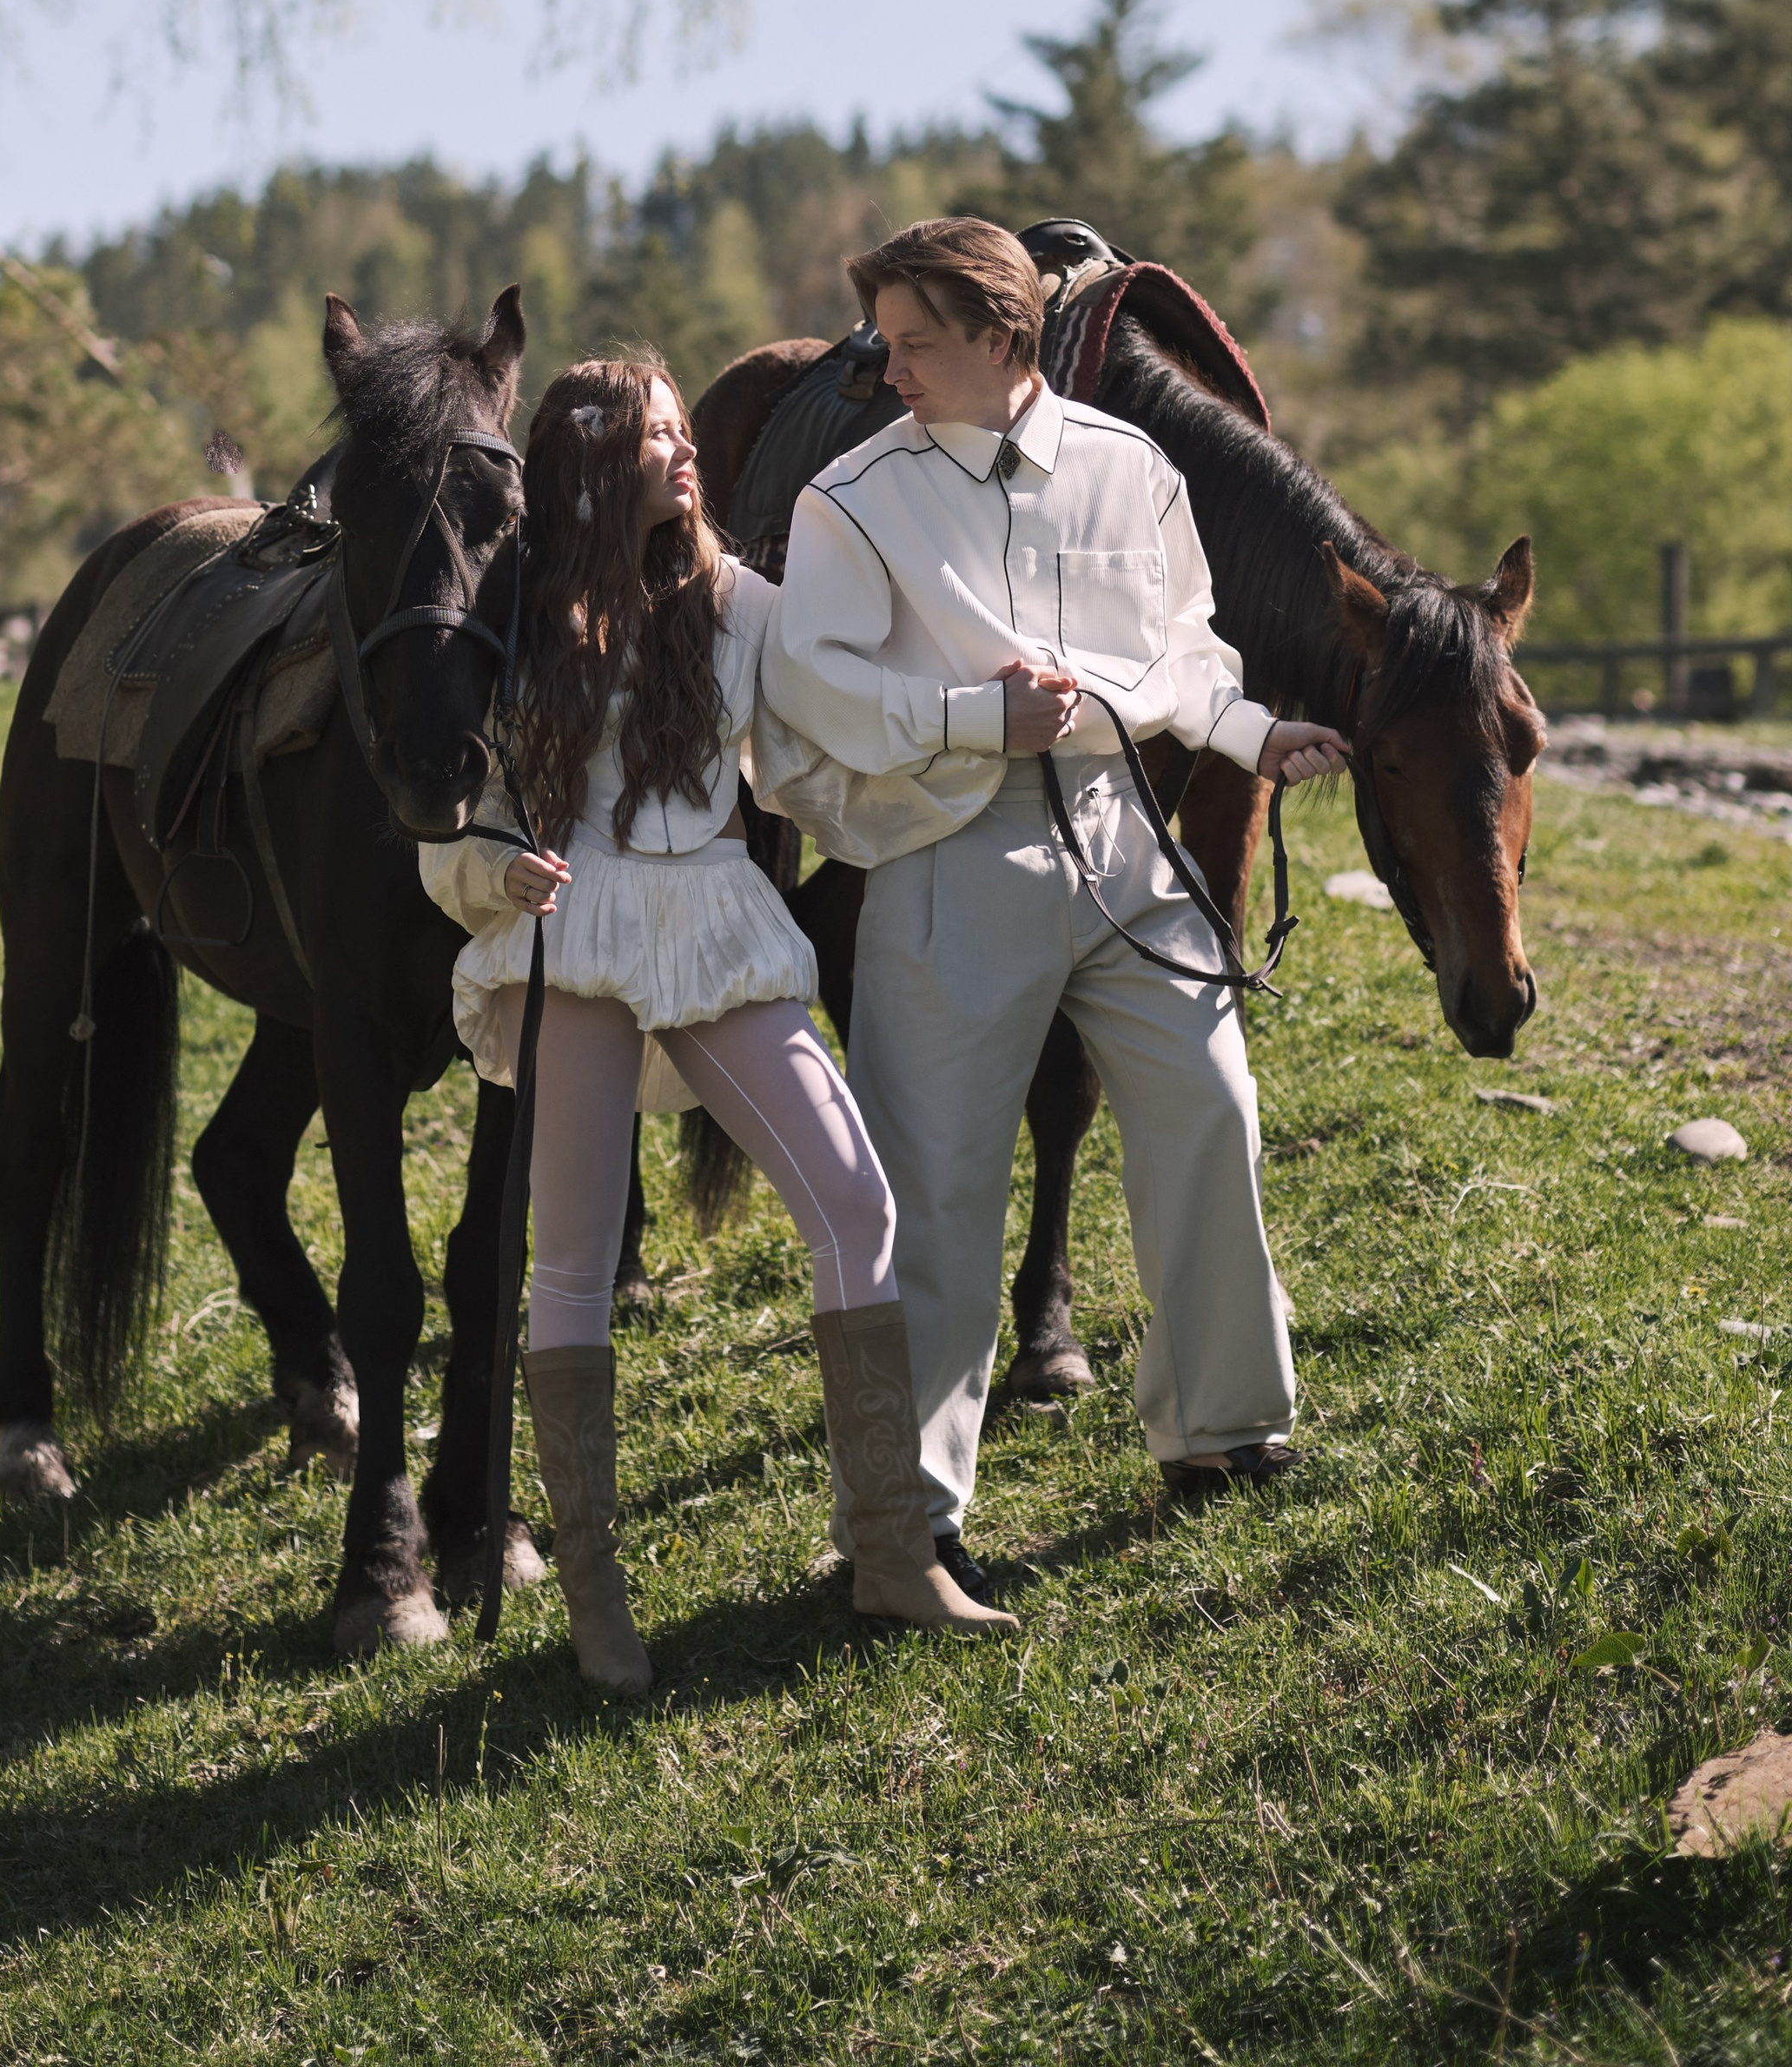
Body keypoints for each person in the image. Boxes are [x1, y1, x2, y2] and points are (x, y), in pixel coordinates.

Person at [755, 217, 1350, 1582]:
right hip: (953, 853)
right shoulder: (851, 497)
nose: (892, 370)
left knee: (1212, 1108)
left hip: (1128, 838)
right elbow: (814, 684)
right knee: (935, 1185)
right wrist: (977, 715)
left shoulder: (1130, 467)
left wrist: (1258, 736)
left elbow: (1183, 653)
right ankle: (908, 1518)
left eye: (916, 343)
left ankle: (1224, 1429)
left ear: (1003, 336)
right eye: (888, 342)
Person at [423, 353, 1015, 1692]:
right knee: (575, 1260)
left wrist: (981, 717)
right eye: (657, 436)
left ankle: (891, 1548)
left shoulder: (739, 602)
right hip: (579, 929)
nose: (686, 453)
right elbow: (459, 810)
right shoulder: (515, 616)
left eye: (685, 429)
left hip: (716, 916)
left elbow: (845, 716)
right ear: (592, 464)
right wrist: (494, 871)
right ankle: (594, 1592)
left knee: (854, 1202)